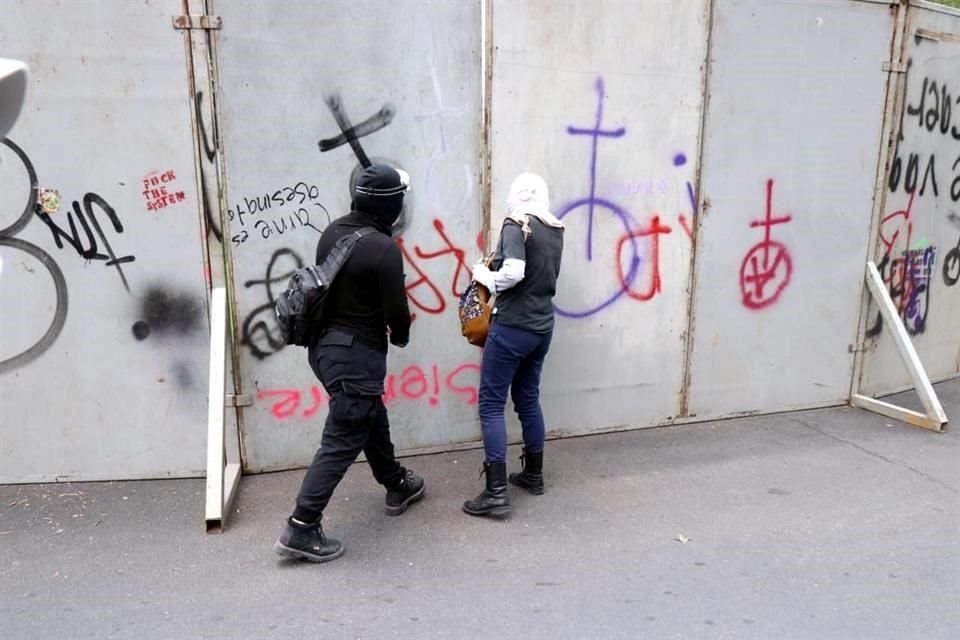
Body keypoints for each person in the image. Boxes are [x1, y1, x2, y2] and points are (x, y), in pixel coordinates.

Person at [274, 164, 425, 562]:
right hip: (356, 355)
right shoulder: (384, 249)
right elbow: (397, 311)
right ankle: (301, 526)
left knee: (368, 413)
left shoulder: (333, 232)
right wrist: (401, 335)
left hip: (324, 351)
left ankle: (396, 483)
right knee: (342, 438)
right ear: (391, 204)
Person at [463, 172, 564, 518]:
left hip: (512, 328)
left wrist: (485, 277)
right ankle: (533, 475)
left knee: (491, 405)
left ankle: (496, 493)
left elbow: (515, 272)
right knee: (527, 398)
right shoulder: (554, 228)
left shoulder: (516, 224)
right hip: (541, 327)